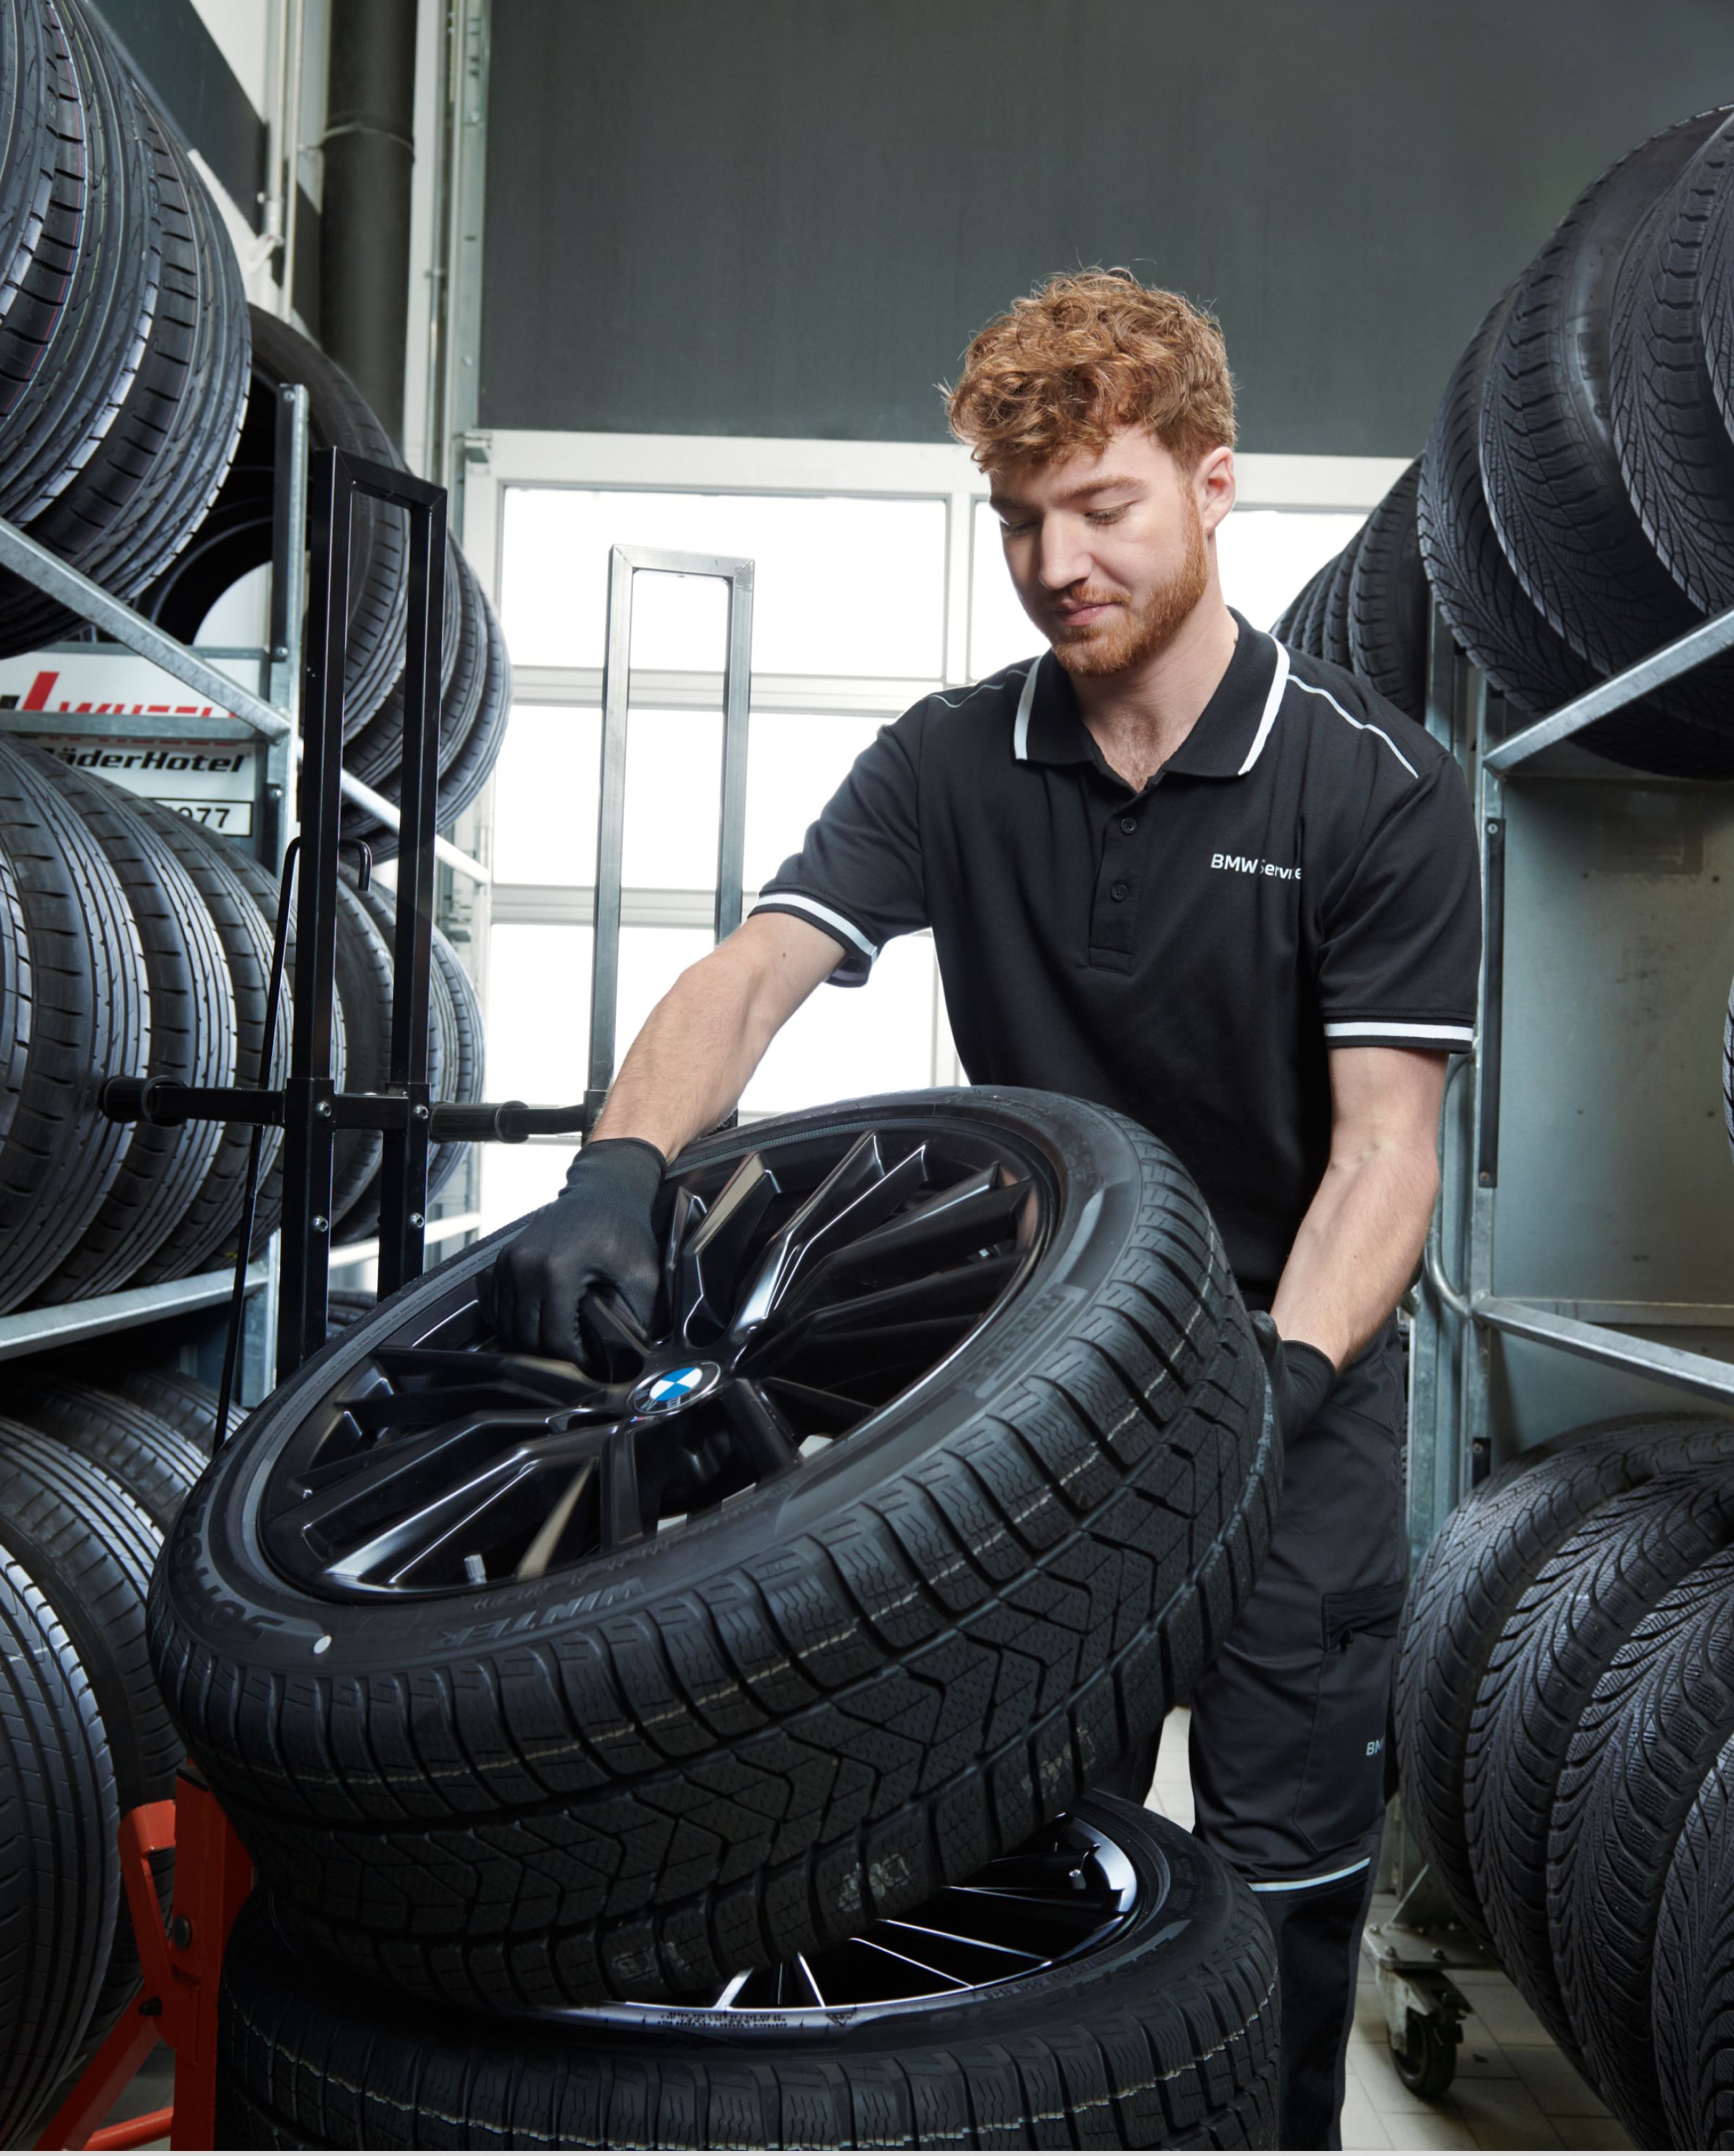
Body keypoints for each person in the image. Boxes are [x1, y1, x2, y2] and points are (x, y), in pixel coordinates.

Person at [486, 268, 1482, 2149]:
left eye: (1098, 507)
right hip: (1039, 1407)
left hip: (1298, 1384)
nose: (1054, 560)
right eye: (1017, 520)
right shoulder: (954, 759)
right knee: (1020, 1853)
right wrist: (623, 1162)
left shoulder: (1377, 790)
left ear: (1210, 486)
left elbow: (1386, 1151)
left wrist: (1273, 1380)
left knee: (1275, 1884)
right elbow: (759, 970)